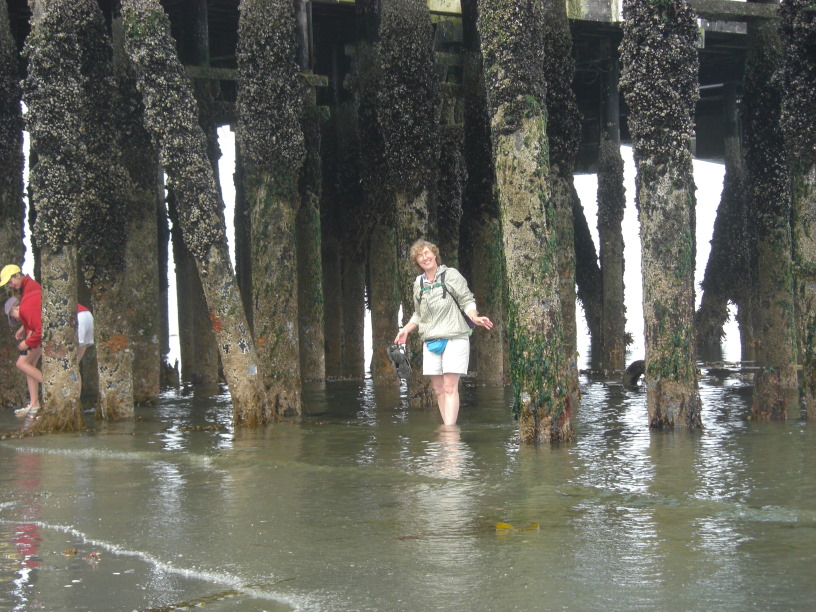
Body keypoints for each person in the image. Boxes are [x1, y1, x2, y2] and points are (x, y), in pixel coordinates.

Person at [393, 240, 493, 426]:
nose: (425, 258)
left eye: (427, 253)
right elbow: (418, 314)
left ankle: (449, 432)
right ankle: (448, 428)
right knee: (438, 389)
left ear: (434, 254)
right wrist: (405, 330)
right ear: (417, 261)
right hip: (431, 340)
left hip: (455, 337)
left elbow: (466, 300)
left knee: (449, 387)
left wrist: (475, 316)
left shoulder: (450, 275)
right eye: (420, 256)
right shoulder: (418, 283)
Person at [2, 265, 94, 415]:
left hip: (74, 318)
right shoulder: (29, 290)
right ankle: (72, 406)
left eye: (10, 281)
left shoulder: (28, 294)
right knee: (72, 366)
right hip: (85, 315)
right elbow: (37, 312)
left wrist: (27, 342)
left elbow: (39, 326)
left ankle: (53, 390)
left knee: (23, 362)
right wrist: (24, 327)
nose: (10, 285)